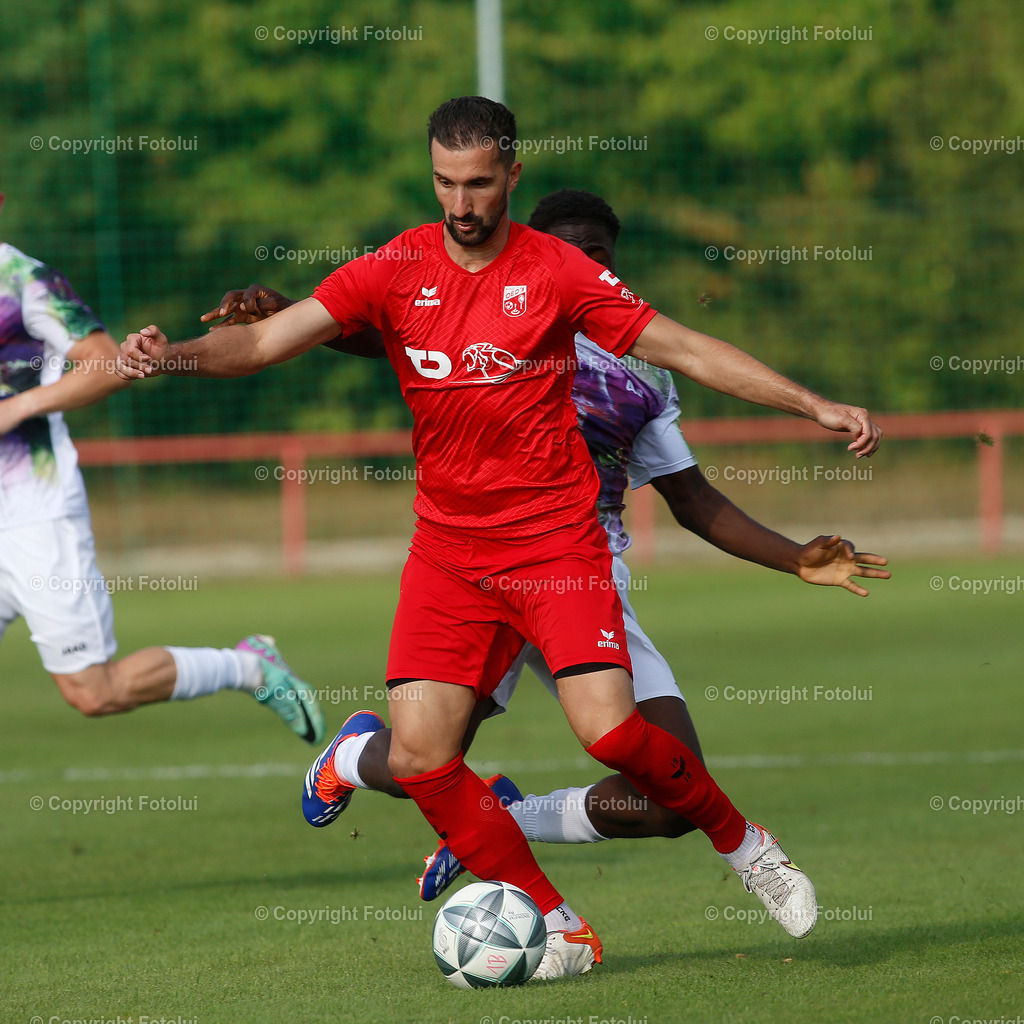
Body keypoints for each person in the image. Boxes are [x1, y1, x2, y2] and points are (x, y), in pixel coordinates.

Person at [116, 96, 882, 980]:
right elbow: (261, 345)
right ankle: (561, 926)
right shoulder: (394, 265)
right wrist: (167, 356)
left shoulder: (556, 270)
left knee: (612, 735)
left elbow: (686, 349)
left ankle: (748, 848)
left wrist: (811, 403)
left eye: (479, 183)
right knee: (421, 758)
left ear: (512, 175)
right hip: (448, 555)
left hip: (554, 546)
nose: (462, 203)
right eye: (445, 182)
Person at [0, 190, 324, 743]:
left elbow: (109, 365)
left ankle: (248, 667)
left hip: (33, 514)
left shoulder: (23, 280)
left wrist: (18, 407)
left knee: (95, 691)